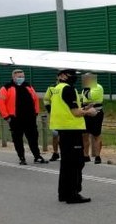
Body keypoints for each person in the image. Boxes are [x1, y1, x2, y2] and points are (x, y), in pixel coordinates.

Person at [49, 68, 98, 203]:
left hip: (63, 129)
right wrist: (89, 112)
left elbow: (67, 109)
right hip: (72, 130)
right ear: (62, 75)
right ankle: (73, 194)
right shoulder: (69, 89)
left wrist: (84, 108)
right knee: (76, 163)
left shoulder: (56, 89)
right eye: (71, 75)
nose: (74, 77)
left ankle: (64, 193)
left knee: (66, 163)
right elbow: (75, 113)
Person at [0, 69, 47, 165]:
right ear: (13, 77)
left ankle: (37, 156)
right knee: (17, 139)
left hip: (30, 118)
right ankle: (21, 158)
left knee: (33, 138)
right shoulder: (6, 88)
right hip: (15, 119)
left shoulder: (28, 86)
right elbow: (0, 103)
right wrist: (6, 116)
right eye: (19, 77)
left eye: (23, 76)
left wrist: (36, 112)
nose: (21, 78)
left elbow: (35, 99)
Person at [81, 72, 105, 164]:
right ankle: (85, 155)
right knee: (84, 135)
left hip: (96, 113)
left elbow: (90, 96)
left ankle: (97, 156)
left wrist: (86, 89)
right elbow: (83, 100)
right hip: (86, 113)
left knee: (96, 135)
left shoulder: (98, 87)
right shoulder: (85, 89)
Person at [43, 81, 61, 161]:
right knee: (55, 135)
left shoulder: (69, 87)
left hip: (67, 115)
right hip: (55, 116)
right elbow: (46, 99)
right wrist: (50, 110)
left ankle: (65, 153)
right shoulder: (51, 88)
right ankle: (55, 153)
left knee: (65, 135)